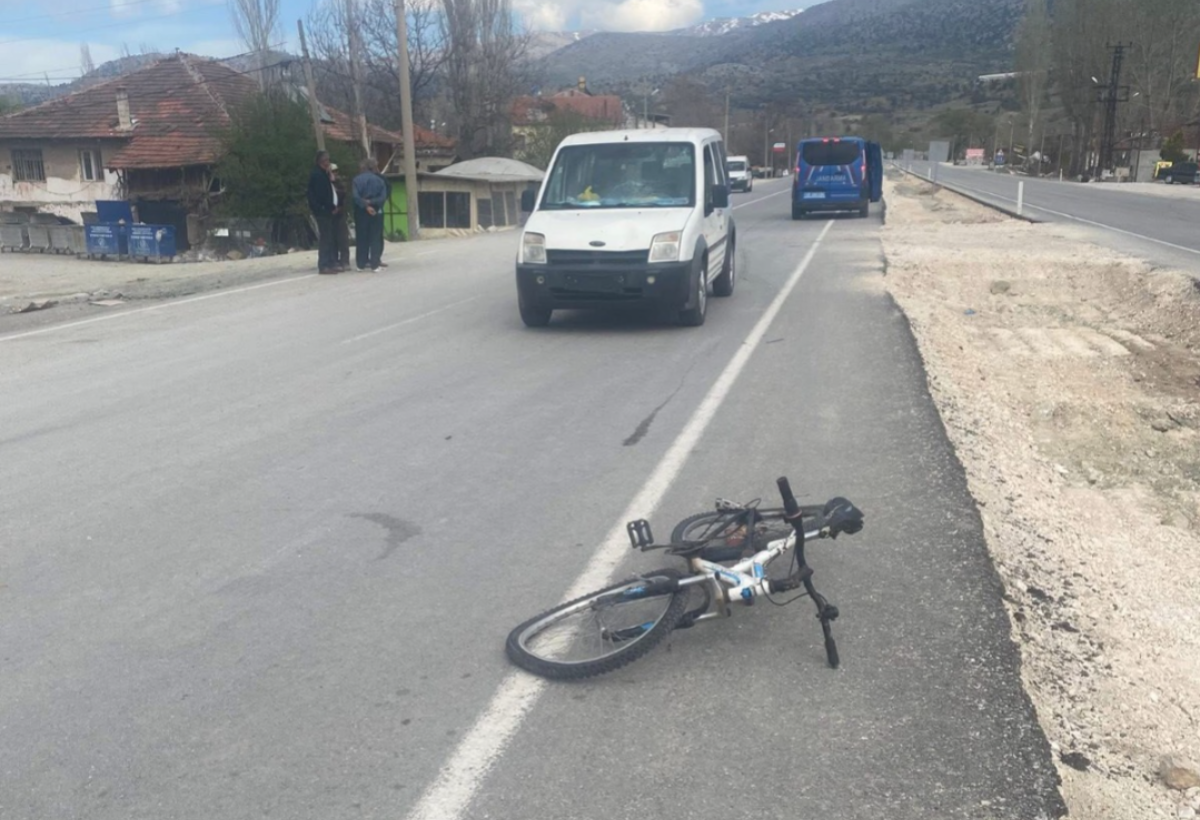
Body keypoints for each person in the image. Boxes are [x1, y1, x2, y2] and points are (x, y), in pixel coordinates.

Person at [306, 150, 340, 274]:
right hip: (322, 211)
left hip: (327, 210)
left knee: (330, 237)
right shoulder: (317, 175)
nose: (328, 162)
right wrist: (330, 207)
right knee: (325, 238)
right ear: (322, 161)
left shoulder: (324, 174)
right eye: (327, 160)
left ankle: (331, 262)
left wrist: (331, 176)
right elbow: (322, 195)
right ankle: (324, 264)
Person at [352, 158, 387, 272]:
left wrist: (365, 204)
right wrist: (372, 203)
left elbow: (355, 197)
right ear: (373, 168)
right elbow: (383, 197)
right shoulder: (380, 180)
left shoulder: (356, 180)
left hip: (361, 211)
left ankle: (360, 264)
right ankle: (375, 264)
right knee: (375, 237)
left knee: (361, 237)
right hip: (376, 211)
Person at [330, 164, 351, 270]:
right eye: (332, 171)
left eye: (335, 171)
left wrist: (335, 182)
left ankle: (345, 261)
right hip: (329, 214)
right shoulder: (324, 183)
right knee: (332, 239)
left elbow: (343, 194)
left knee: (343, 238)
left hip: (340, 212)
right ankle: (334, 261)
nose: (334, 173)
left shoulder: (340, 183)